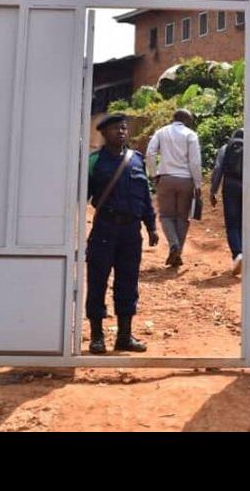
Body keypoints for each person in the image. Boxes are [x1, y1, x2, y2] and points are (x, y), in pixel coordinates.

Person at [86, 112, 159, 354]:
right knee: (97, 280)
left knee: (128, 282)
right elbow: (80, 195)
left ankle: (124, 337)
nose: (121, 131)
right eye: (116, 128)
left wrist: (151, 226)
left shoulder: (136, 160)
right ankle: (97, 336)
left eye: (124, 128)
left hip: (131, 232)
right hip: (105, 228)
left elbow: (145, 197)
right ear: (104, 133)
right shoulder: (94, 161)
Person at [145, 108, 203, 268]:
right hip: (186, 180)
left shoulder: (161, 132)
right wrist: (198, 184)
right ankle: (178, 251)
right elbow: (195, 162)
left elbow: (150, 153)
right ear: (187, 120)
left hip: (166, 178)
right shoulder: (191, 135)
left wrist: (154, 174)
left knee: (166, 216)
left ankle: (173, 245)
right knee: (182, 218)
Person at [210, 128, 244, 276]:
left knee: (232, 224)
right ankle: (246, 254)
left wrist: (213, 191)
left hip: (230, 186)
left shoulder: (226, 148)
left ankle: (238, 254)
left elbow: (218, 169)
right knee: (246, 223)